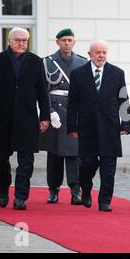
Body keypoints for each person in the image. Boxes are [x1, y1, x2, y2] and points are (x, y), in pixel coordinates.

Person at [0, 27, 50, 210]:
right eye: (18, 40)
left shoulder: (36, 62)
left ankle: (20, 197)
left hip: (27, 118)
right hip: (2, 118)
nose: (22, 43)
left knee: (26, 161)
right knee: (0, 158)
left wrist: (45, 116)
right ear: (9, 41)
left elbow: (43, 92)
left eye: (25, 40)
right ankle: (4, 187)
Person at [67, 40, 130, 212]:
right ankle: (86, 191)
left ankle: (105, 201)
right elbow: (72, 103)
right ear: (90, 54)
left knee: (109, 168)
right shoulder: (78, 74)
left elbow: (123, 100)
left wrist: (125, 123)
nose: (101, 55)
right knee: (87, 164)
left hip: (110, 128)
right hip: (87, 128)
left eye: (104, 52)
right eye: (98, 52)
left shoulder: (117, 73)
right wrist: (72, 127)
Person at [39, 28, 87, 205]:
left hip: (75, 112)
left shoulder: (82, 62)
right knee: (54, 154)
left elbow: (87, 92)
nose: (67, 43)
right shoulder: (47, 62)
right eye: (64, 40)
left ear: (74, 42)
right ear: (57, 42)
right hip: (54, 112)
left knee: (75, 154)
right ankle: (53, 190)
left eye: (70, 40)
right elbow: (42, 90)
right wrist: (48, 111)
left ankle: (76, 190)